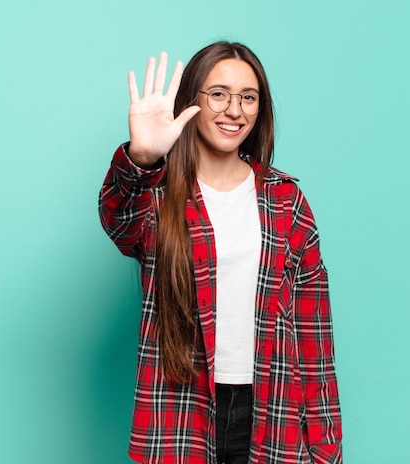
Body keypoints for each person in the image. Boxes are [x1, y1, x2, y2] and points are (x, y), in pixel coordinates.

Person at [99, 41, 342, 464]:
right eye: (219, 94)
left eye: (248, 97)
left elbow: (313, 333)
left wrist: (325, 443)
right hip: (181, 410)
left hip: (272, 408)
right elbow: (117, 219)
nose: (234, 110)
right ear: (192, 101)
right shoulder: (156, 195)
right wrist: (141, 158)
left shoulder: (285, 200)